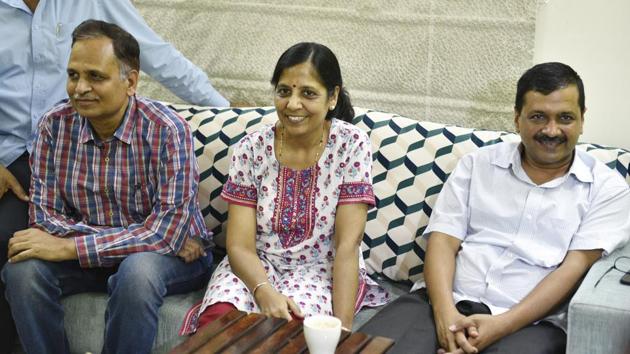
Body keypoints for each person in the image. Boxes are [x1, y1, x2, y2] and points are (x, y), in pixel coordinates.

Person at [0, 1, 228, 350]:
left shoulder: (167, 131)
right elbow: (45, 219)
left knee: (137, 273)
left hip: (169, 261)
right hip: (137, 249)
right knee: (22, 270)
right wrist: (122, 240)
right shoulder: (53, 127)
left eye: (96, 77)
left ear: (131, 81)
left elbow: (166, 232)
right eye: (73, 75)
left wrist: (72, 245)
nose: (79, 88)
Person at [359, 62, 630, 354]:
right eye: (538, 117)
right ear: (517, 118)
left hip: (533, 323)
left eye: (565, 118)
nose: (552, 130)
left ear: (581, 119)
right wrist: (444, 316)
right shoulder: (477, 165)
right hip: (441, 302)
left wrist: (502, 324)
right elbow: (443, 241)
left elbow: (573, 269)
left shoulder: (607, 189)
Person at [180, 42, 389, 335]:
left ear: (333, 97)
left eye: (308, 93)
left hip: (319, 268)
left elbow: (347, 246)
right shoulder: (251, 149)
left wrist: (342, 332)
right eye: (284, 91)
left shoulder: (351, 145)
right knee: (217, 324)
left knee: (292, 333)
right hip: (255, 263)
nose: (292, 104)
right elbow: (239, 245)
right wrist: (263, 290)